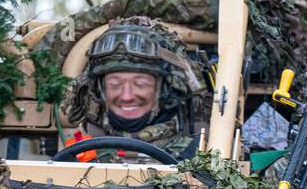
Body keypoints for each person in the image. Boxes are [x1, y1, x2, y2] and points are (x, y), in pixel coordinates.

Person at [59, 16, 204, 161]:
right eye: (115, 84)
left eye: (141, 84)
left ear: (165, 89)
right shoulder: (77, 151)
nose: (126, 96)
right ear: (100, 89)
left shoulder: (200, 153)